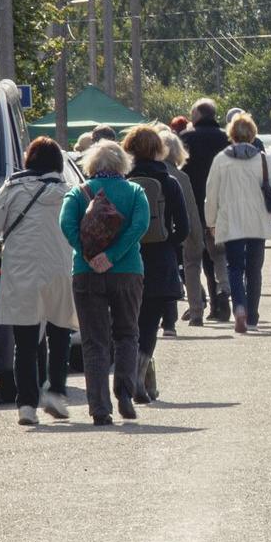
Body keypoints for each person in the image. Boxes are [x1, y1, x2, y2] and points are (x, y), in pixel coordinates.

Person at [0, 137, 78, 425]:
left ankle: (27, 406)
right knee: (60, 334)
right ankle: (56, 392)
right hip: (60, 269)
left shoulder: (12, 189)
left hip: (21, 271)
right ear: (58, 163)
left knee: (25, 341)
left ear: (28, 160)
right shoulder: (69, 192)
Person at [58, 140, 150, 426]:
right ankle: (124, 393)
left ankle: (99, 407)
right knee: (127, 334)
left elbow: (66, 224)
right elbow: (140, 225)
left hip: (86, 273)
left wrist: (90, 255)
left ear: (92, 165)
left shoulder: (78, 193)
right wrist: (113, 256)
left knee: (94, 341)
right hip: (127, 271)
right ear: (122, 164)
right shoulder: (135, 192)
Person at [122, 125, 190, 403]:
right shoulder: (168, 180)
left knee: (129, 322)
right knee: (150, 322)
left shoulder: (122, 180)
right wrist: (167, 244)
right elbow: (183, 228)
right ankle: (141, 374)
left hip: (126, 256)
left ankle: (136, 377)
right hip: (160, 259)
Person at [204, 113, 271, 334]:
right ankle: (253, 317)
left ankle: (239, 306)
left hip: (231, 222)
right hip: (257, 222)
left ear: (231, 134)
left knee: (234, 267)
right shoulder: (262, 158)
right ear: (253, 134)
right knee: (254, 270)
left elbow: (210, 195)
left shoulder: (221, 160)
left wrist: (210, 221)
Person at [179, 99, 233, 321]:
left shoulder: (186, 138)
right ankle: (222, 296)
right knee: (218, 255)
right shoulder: (225, 138)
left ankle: (197, 309)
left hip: (192, 203)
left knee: (193, 259)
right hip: (220, 204)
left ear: (198, 115)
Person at [155, 127, 205, 333]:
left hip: (157, 233)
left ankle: (167, 318)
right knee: (191, 270)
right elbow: (191, 210)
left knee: (163, 275)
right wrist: (197, 237)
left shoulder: (151, 174)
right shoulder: (181, 177)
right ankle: (196, 311)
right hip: (181, 232)